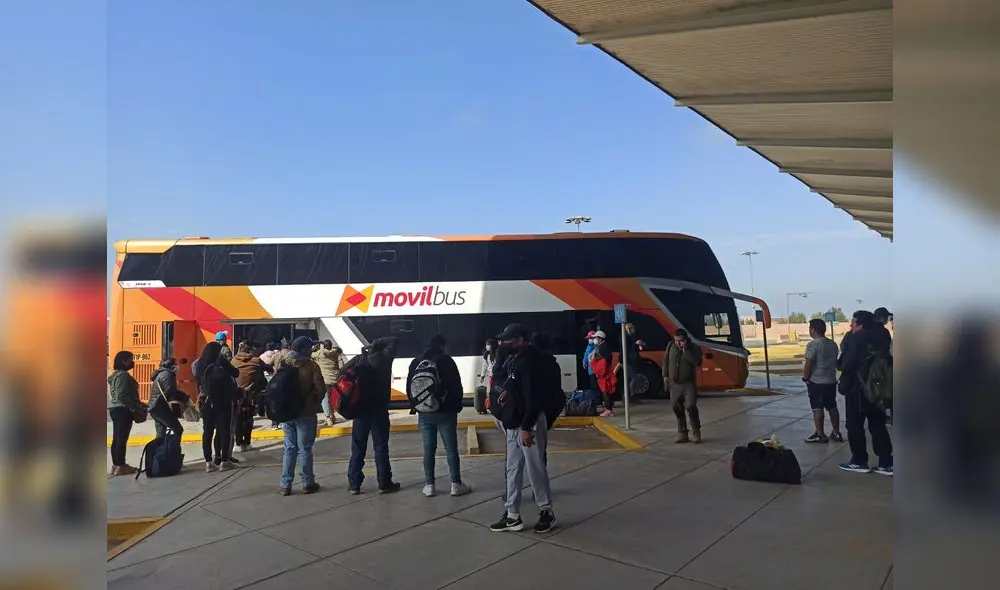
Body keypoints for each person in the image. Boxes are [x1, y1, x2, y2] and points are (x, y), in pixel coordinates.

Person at [489, 323, 556, 535]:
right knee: (512, 469)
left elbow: (533, 399)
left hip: (528, 423)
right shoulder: (514, 359)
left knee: (535, 468)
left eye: (507, 339)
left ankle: (546, 511)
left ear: (519, 340)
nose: (503, 343)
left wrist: (527, 427)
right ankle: (512, 514)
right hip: (513, 423)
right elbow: (507, 382)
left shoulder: (529, 362)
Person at [407, 335, 472, 498]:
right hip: (446, 412)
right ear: (443, 346)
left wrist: (417, 407)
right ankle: (455, 484)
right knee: (451, 449)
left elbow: (409, 388)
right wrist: (456, 406)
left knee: (428, 449)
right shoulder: (446, 361)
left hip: (424, 413)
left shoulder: (416, 362)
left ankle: (429, 485)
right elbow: (456, 386)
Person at [837, 310, 893, 475]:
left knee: (854, 425)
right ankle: (886, 462)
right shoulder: (882, 336)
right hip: (877, 389)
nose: (850, 326)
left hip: (858, 389)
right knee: (877, 425)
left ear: (860, 325)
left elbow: (846, 364)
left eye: (853, 323)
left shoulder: (856, 339)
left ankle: (859, 460)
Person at [347, 337, 401, 495]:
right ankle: (384, 482)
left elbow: (342, 373)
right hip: (379, 409)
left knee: (358, 447)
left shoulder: (359, 360)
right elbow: (394, 340)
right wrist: (375, 343)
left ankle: (354, 484)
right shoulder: (384, 359)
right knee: (381, 446)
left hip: (360, 411)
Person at [275, 336, 327, 495]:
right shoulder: (311, 365)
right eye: (309, 347)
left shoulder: (283, 362)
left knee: (289, 448)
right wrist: (314, 402)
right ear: (304, 349)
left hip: (287, 412)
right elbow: (321, 388)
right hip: (306, 412)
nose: (312, 350)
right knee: (304, 449)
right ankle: (307, 483)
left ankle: (285, 484)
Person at [195, 341, 240, 472]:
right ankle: (224, 460)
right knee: (224, 430)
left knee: (207, 431)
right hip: (223, 401)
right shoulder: (220, 361)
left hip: (206, 400)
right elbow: (235, 373)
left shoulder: (199, 364)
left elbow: (198, 381)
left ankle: (208, 462)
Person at [802, 319, 842, 443]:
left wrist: (805, 377)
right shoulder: (833, 344)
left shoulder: (813, 344)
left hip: (817, 382)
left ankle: (820, 434)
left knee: (817, 408)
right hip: (831, 380)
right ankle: (836, 433)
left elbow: (809, 362)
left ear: (813, 330)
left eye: (810, 328)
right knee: (832, 406)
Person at [663, 329, 703, 443]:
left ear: (685, 339)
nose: (678, 343)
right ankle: (682, 432)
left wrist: (686, 350)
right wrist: (665, 375)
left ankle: (696, 431)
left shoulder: (694, 347)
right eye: (676, 340)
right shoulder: (670, 345)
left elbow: (697, 362)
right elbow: (666, 361)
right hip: (674, 383)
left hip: (688, 384)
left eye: (680, 340)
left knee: (690, 406)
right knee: (677, 407)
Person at [108, 351, 142, 476]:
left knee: (117, 438)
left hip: (115, 409)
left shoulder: (115, 375)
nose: (132, 362)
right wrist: (133, 407)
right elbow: (122, 395)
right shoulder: (123, 376)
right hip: (123, 409)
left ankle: (116, 465)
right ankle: (121, 466)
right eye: (130, 359)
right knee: (122, 438)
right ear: (124, 361)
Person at [232, 342, 268, 452]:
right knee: (248, 419)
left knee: (238, 419)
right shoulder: (256, 361)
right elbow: (268, 368)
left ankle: (238, 443)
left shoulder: (233, 361)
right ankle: (247, 443)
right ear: (250, 351)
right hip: (251, 395)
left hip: (236, 395)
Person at [149, 358, 185, 440]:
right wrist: (183, 398)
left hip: (155, 407)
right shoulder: (167, 374)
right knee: (178, 429)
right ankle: (173, 447)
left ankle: (160, 448)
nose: (177, 366)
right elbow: (170, 392)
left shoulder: (161, 374)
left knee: (161, 435)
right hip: (161, 407)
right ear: (170, 365)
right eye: (175, 364)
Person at [312, 340, 344, 427]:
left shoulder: (319, 353)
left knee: (325, 399)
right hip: (335, 379)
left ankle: (328, 418)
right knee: (333, 398)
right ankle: (332, 415)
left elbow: (310, 355)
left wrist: (314, 348)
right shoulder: (336, 353)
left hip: (324, 379)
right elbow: (341, 366)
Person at [590, 331, 616, 417]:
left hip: (604, 373)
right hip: (605, 372)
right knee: (606, 390)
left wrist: (594, 360)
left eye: (596, 338)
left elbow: (604, 360)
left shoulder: (602, 347)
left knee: (605, 391)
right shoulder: (602, 346)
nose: (595, 339)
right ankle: (608, 409)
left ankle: (608, 409)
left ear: (600, 339)